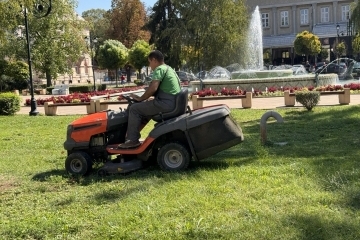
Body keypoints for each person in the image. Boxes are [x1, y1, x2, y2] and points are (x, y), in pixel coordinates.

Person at [118, 50, 181, 148]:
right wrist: (146, 98)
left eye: (149, 62)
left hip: (166, 104)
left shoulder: (159, 69)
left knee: (134, 109)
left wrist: (140, 98)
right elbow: (162, 89)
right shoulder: (169, 69)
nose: (150, 65)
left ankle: (132, 140)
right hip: (171, 102)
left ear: (154, 60)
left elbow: (153, 88)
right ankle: (132, 136)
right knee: (143, 105)